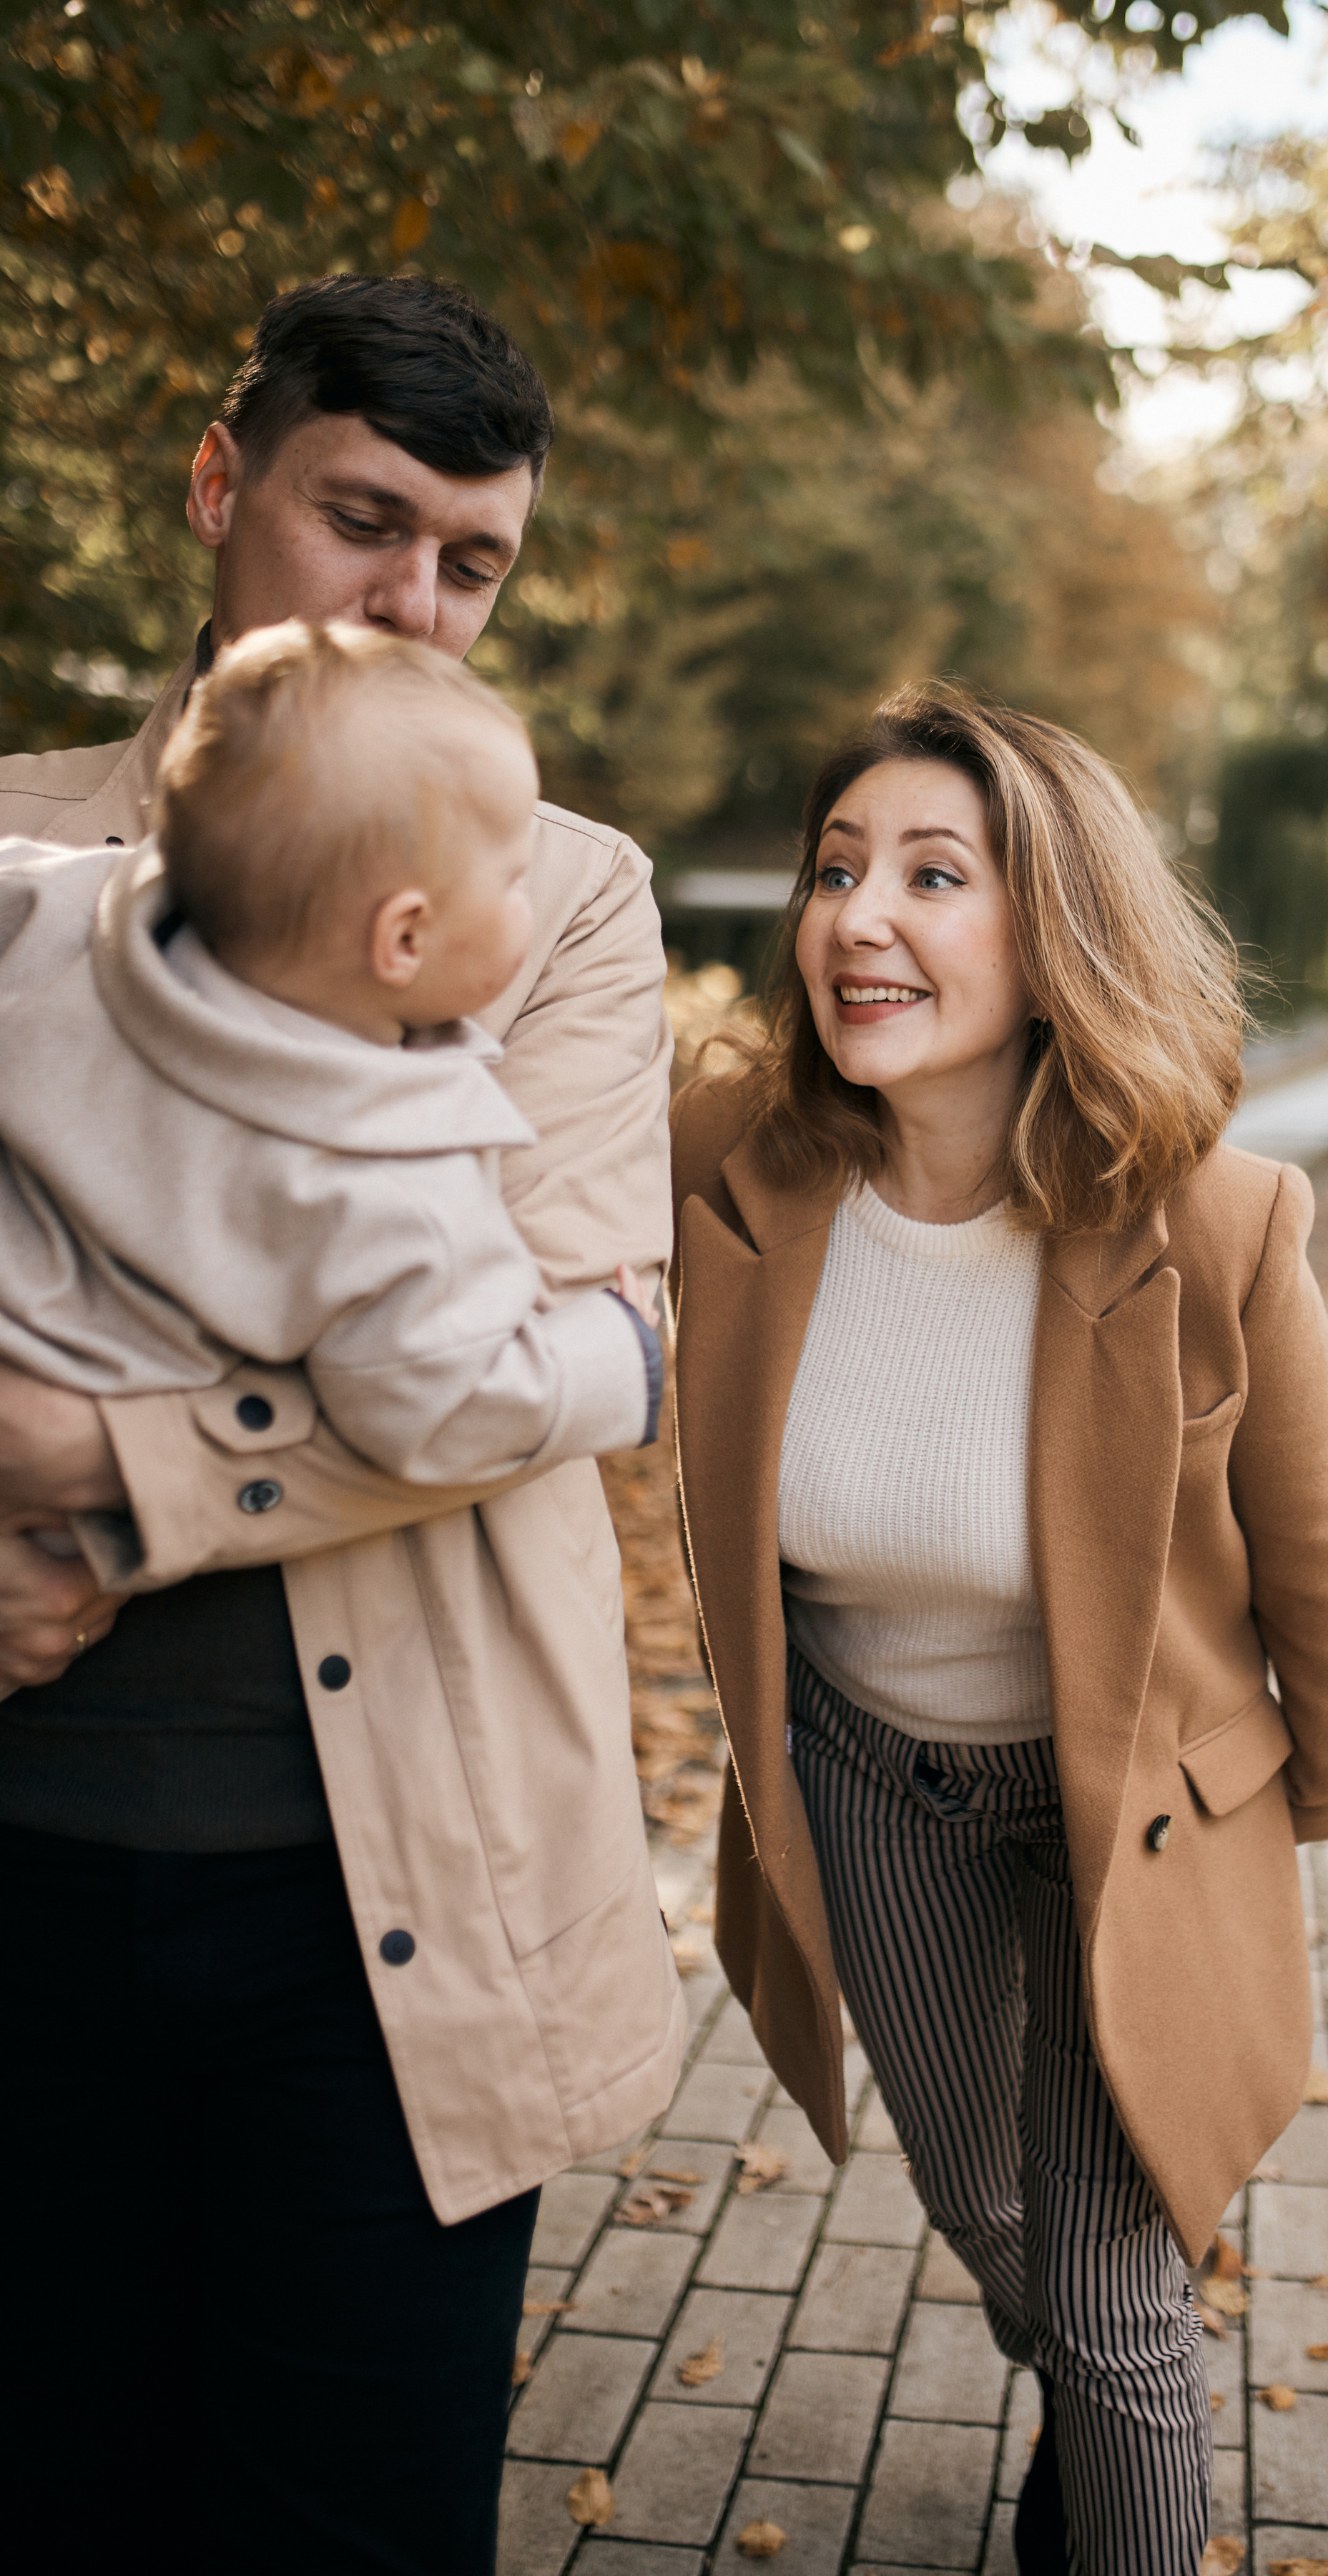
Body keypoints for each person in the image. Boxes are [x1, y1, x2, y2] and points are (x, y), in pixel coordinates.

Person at [0, 274, 684, 2576]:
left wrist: (80, 1468)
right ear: (221, 489)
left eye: (468, 560)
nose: (413, 600)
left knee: (346, 2536)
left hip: (393, 1905)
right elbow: (446, 1355)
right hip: (21, 1842)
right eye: (360, 519)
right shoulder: (16, 855)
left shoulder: (557, 900)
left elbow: (541, 1362)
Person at [670, 685, 1328, 2575]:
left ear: (1054, 923)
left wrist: (1294, 1807)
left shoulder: (1214, 1220)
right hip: (862, 1781)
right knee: (984, 2205)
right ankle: (1085, 2359)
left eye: (931, 874)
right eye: (837, 871)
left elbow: (1319, 1549)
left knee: (1117, 2301)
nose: (859, 920)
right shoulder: (730, 1158)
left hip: (1129, 1816)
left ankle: (1110, 2414)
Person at [0, 621, 659, 1519]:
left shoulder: (60, 911)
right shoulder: (385, 1178)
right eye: (511, 880)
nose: (526, 899)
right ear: (405, 938)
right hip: (80, 1498)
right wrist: (619, 1353)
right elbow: (445, 1407)